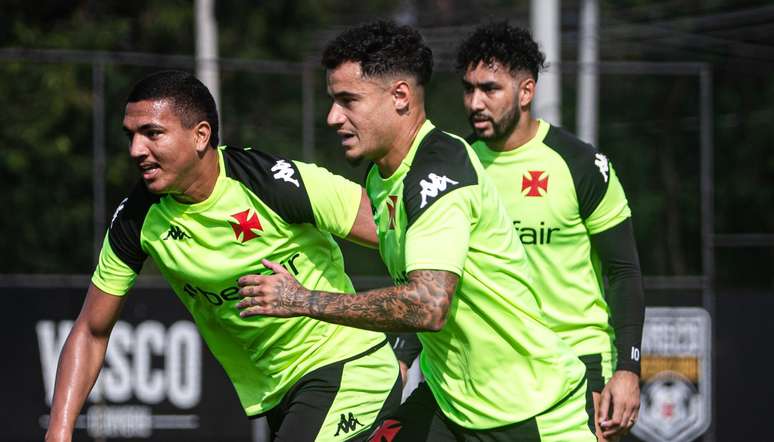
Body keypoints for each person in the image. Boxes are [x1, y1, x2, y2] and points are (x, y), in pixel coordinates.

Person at [236, 21, 595, 442]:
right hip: (450, 405)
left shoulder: (438, 167)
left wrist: (302, 299)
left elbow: (427, 304)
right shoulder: (380, 177)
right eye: (332, 101)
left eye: (349, 100)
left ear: (400, 96)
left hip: (530, 412)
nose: (333, 117)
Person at [45, 70, 401, 442]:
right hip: (277, 394)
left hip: (348, 367)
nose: (136, 149)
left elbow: (404, 236)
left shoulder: (274, 182)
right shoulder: (136, 219)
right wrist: (59, 430)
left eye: (152, 134)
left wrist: (411, 337)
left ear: (200, 135)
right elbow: (91, 330)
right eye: (130, 136)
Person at [457, 22, 645, 441]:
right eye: (468, 89)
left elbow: (623, 272)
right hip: (490, 371)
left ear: (526, 92)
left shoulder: (579, 163)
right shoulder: (456, 166)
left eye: (490, 89)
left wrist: (628, 369)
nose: (475, 102)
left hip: (578, 364)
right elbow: (438, 271)